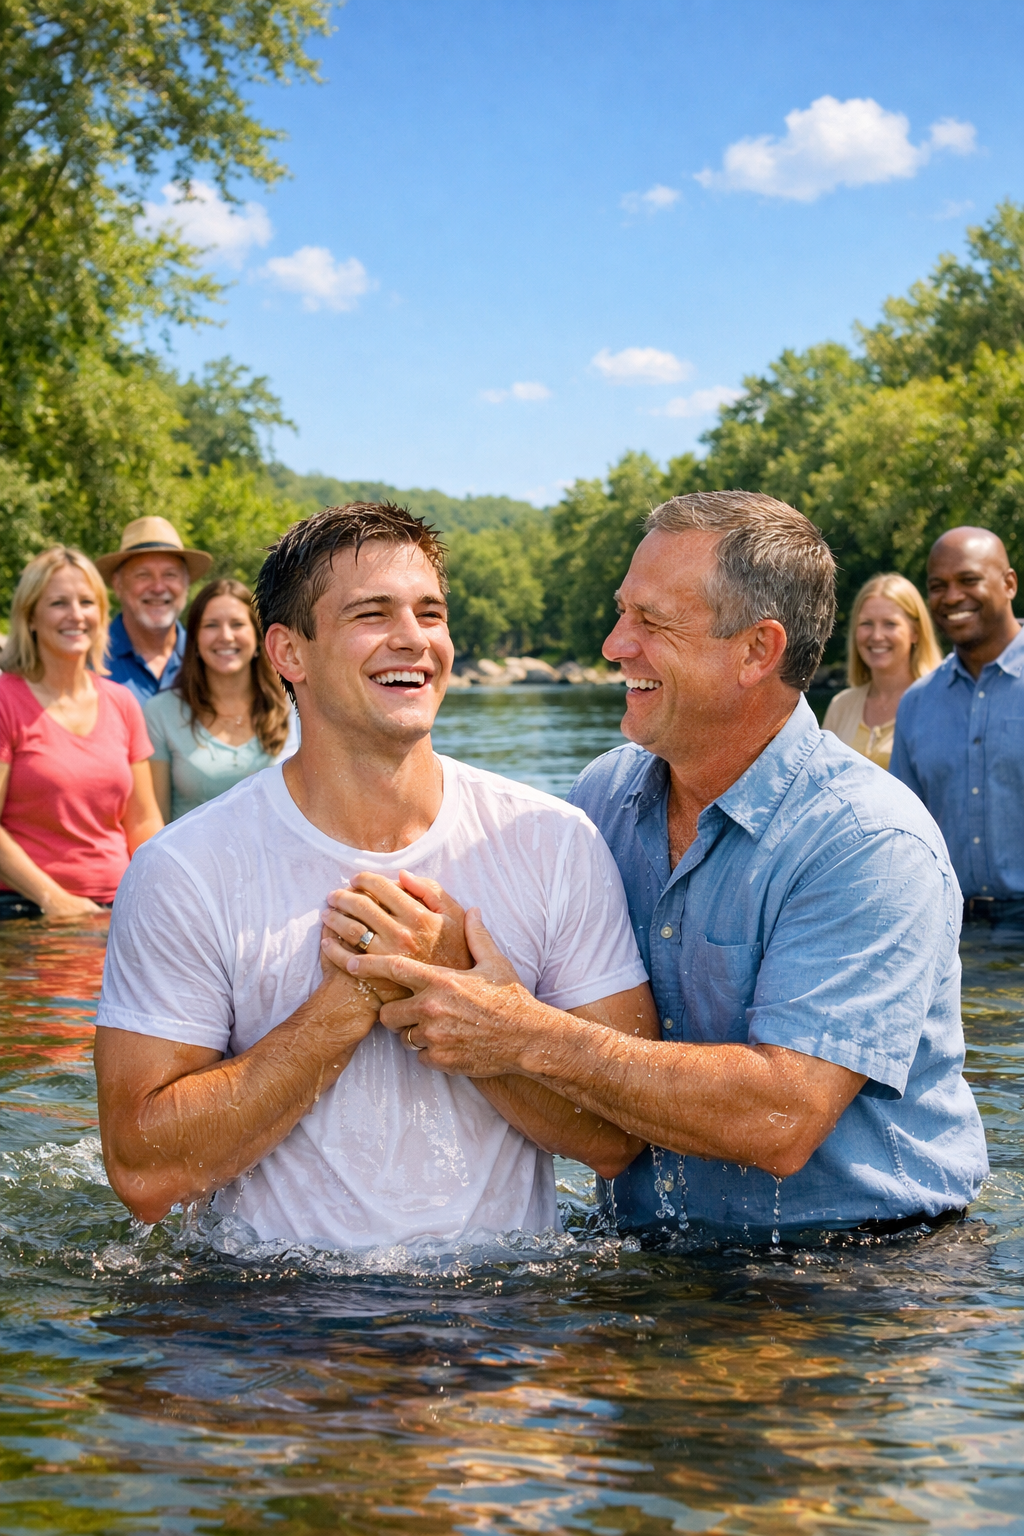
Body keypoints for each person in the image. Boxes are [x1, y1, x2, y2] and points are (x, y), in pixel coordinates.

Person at [347, 491, 988, 1242]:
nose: (616, 644)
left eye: (652, 621)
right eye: (623, 613)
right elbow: (503, 1001)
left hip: (862, 1276)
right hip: (654, 1257)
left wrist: (524, 1034)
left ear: (757, 650)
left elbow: (781, 1118)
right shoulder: (603, 796)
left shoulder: (870, 841)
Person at [93, 503, 659, 1249]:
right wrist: (345, 1004)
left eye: (431, 612)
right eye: (372, 613)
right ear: (289, 653)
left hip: (505, 1325)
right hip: (269, 1330)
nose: (414, 639)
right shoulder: (185, 870)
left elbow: (619, 1139)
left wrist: (473, 1011)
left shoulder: (553, 841)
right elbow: (142, 1173)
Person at [0, 547, 163, 921]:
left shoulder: (122, 702)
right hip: (26, 912)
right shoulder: (5, 700)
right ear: (31, 617)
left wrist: (157, 897)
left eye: (87, 602)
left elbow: (142, 823)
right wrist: (55, 900)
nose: (76, 615)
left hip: (118, 911)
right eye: (59, 603)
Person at [892, 526, 1024, 919]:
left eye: (968, 580)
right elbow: (904, 833)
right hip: (951, 928)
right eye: (937, 585)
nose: (951, 597)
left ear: (1009, 584)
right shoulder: (916, 703)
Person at [145, 579, 298, 822]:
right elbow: (153, 822)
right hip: (192, 859)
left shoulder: (296, 706)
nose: (226, 636)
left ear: (259, 637)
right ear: (194, 639)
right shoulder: (159, 713)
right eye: (211, 625)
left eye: (237, 624)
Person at [823, 573, 941, 770]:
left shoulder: (939, 704)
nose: (877, 636)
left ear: (916, 632)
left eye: (890, 624)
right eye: (866, 624)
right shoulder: (841, 706)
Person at [97, 517, 212, 705]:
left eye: (170, 574)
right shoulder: (89, 658)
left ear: (186, 583)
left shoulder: (208, 658)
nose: (158, 587)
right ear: (118, 584)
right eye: (143, 575)